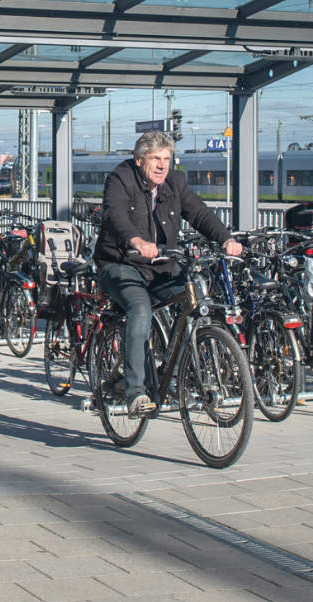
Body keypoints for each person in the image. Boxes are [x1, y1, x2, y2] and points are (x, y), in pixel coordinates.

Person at [94, 132, 245, 416]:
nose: (163, 165)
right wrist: (136, 241)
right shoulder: (120, 178)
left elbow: (199, 213)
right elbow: (115, 216)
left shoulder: (175, 182)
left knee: (193, 300)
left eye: (167, 159)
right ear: (139, 160)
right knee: (141, 308)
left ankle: (172, 371)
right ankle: (135, 391)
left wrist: (226, 239)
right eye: (156, 159)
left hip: (160, 266)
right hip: (121, 263)